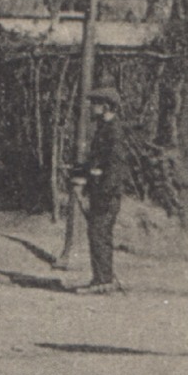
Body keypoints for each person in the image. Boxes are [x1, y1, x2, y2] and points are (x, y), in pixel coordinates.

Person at [73, 87, 131, 295]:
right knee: (97, 234)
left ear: (106, 106)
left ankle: (104, 281)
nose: (91, 107)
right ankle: (101, 278)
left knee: (99, 234)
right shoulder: (104, 128)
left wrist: (104, 192)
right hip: (101, 191)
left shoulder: (113, 130)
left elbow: (115, 166)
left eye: (95, 103)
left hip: (107, 194)